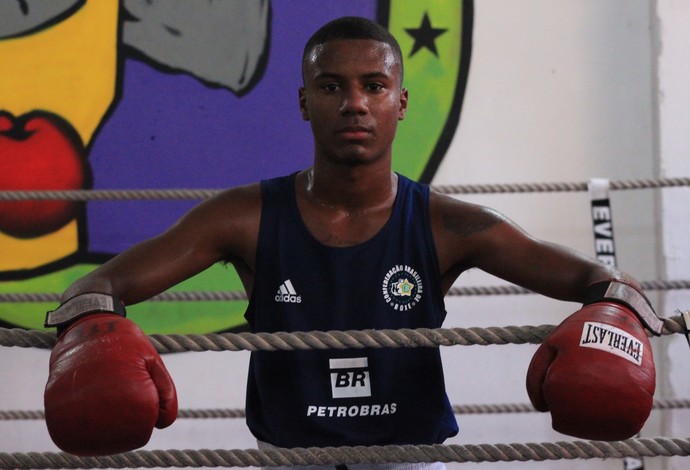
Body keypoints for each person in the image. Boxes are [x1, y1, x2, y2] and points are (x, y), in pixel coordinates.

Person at [42, 16, 660, 467]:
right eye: (333, 86)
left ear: (401, 102)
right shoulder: (244, 217)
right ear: (304, 101)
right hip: (286, 456)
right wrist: (92, 343)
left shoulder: (448, 224)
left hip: (411, 456)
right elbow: (98, 286)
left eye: (374, 85)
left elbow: (606, 284)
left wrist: (615, 316)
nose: (355, 104)